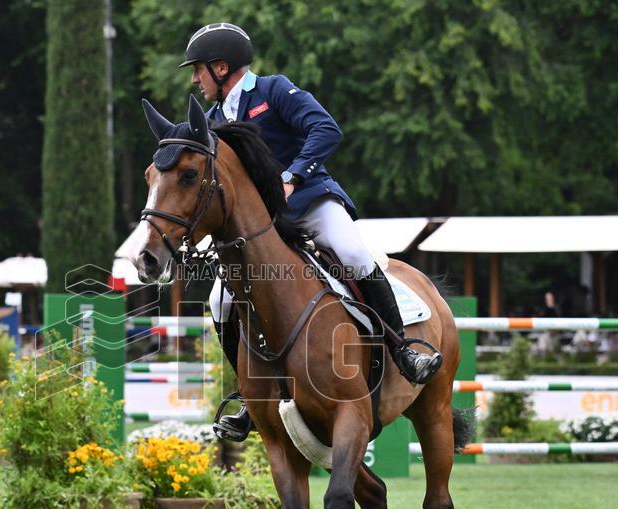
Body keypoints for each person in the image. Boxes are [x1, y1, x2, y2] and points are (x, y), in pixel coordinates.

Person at [179, 23, 442, 441]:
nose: (194, 79)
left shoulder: (274, 91)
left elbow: (326, 130)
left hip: (309, 202)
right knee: (219, 299)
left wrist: (292, 176)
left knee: (353, 253)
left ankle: (403, 350)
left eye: (198, 70)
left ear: (222, 67)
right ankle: (249, 395)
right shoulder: (209, 120)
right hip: (262, 227)